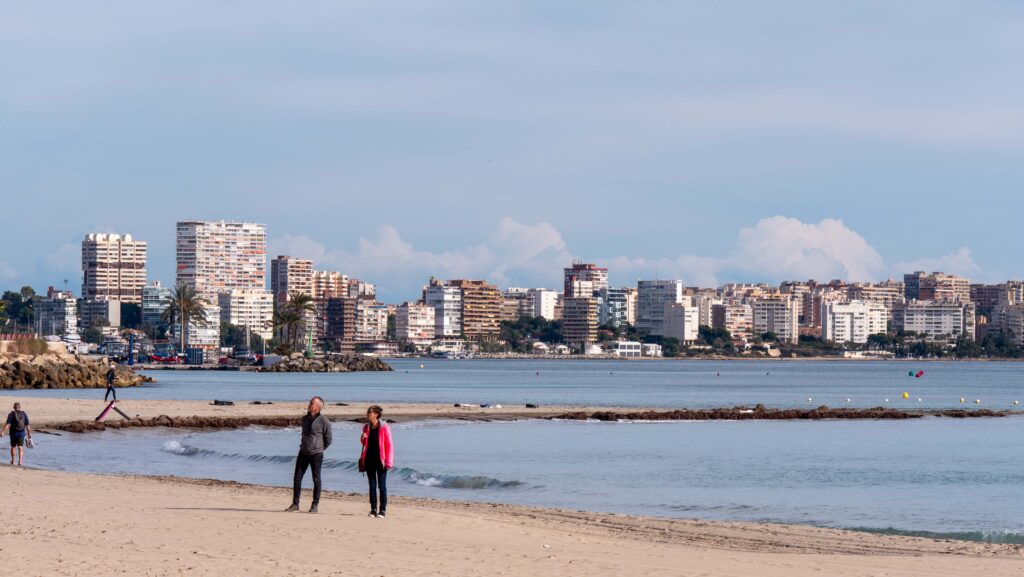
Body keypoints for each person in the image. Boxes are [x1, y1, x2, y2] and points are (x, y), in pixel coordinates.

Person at [286, 396, 332, 513]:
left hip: (316, 454)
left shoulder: (324, 421)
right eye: (310, 402)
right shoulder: (304, 419)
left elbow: (329, 439)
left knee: (316, 479)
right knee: (297, 478)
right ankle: (295, 504)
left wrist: (319, 448)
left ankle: (314, 505)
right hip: (303, 452)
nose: (309, 404)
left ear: (317, 407)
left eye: (311, 403)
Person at [360, 405, 394, 518]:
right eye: (367, 412)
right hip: (369, 460)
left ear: (376, 414)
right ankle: (373, 509)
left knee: (382, 486)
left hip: (381, 461)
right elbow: (364, 444)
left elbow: (389, 445)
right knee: (372, 485)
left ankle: (382, 510)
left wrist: (389, 462)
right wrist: (362, 437)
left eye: (370, 412)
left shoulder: (384, 427)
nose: (368, 414)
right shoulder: (366, 427)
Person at [1, 402, 32, 466]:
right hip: (21, 432)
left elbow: (8, 424)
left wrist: (3, 431)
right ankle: (20, 461)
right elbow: (27, 425)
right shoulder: (24, 414)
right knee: (20, 447)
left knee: (13, 446)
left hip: (13, 433)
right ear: (20, 407)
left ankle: (12, 460)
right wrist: (29, 433)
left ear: (14, 408)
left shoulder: (11, 414)